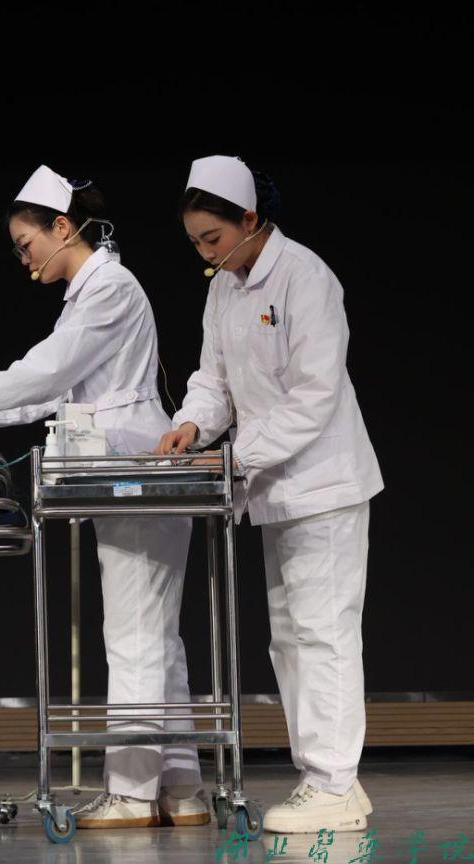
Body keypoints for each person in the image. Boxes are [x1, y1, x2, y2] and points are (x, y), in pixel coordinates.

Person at [0, 164, 208, 829]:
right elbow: (47, 391)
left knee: (136, 631)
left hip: (132, 469)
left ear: (63, 226)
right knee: (156, 632)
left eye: (26, 242)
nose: (23, 257)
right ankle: (180, 787)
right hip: (126, 467)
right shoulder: (91, 294)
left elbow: (45, 370)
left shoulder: (109, 288)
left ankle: (132, 792)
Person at [157, 155, 383, 834]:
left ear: (250, 219)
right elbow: (213, 379)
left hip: (324, 484)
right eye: (196, 242)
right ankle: (330, 779)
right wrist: (191, 424)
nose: (207, 253)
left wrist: (235, 456)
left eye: (214, 238)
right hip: (275, 489)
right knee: (290, 638)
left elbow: (315, 395)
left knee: (323, 632)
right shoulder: (225, 289)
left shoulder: (305, 276)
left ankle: (332, 781)